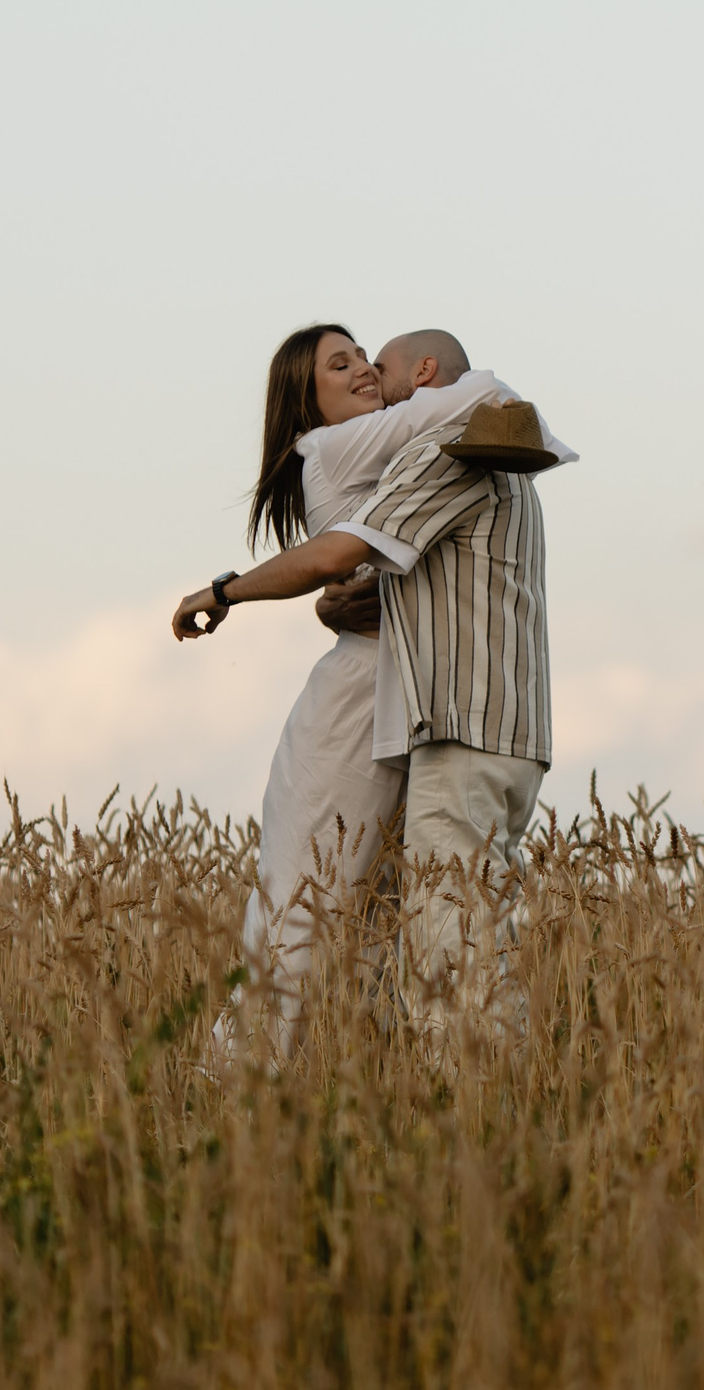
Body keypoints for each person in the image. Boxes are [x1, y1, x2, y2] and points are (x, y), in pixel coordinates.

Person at [201, 322, 572, 1057]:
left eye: (368, 359)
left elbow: (367, 564)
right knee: (311, 901)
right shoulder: (347, 448)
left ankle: (375, 1080)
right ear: (307, 410)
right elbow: (345, 555)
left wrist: (333, 598)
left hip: (421, 711)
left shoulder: (443, 455)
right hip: (362, 709)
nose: (367, 372)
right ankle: (240, 1075)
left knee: (392, 917)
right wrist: (248, 592)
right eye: (342, 367)